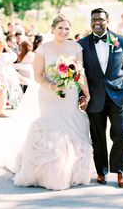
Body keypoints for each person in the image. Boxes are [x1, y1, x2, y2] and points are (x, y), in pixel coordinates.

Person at [12, 15, 93, 190]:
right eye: (60, 28)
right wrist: (52, 86)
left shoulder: (76, 47)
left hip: (70, 95)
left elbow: (80, 73)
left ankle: (71, 172)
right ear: (53, 29)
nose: (64, 32)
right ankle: (48, 174)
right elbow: (38, 76)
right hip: (49, 96)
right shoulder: (43, 49)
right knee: (52, 130)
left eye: (67, 29)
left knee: (71, 130)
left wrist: (86, 93)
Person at [78, 8, 123, 188]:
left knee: (121, 133)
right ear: (90, 21)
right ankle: (101, 171)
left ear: (107, 21)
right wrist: (82, 95)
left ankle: (120, 171)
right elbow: (78, 73)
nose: (97, 22)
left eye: (101, 19)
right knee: (97, 137)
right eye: (94, 19)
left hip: (119, 95)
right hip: (94, 97)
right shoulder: (82, 44)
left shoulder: (121, 41)